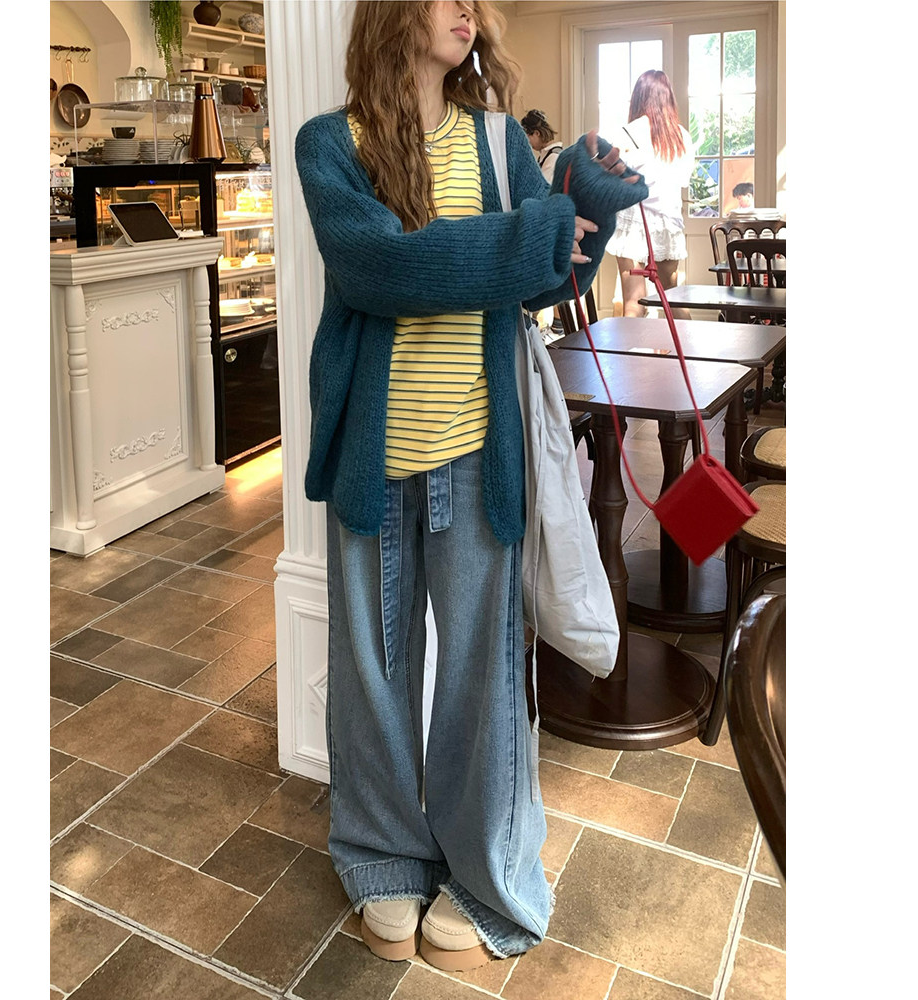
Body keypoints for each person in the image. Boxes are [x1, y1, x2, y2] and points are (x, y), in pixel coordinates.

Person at [294, 0, 646, 973]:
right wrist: (528, 235)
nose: (466, 8)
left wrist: (587, 214)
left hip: (475, 451)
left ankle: (488, 872)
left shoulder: (497, 142)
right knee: (373, 677)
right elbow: (378, 269)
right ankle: (381, 854)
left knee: (481, 681)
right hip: (371, 459)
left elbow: (543, 281)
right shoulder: (330, 144)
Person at [605, 69, 695, 318]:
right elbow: (683, 180)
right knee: (674, 302)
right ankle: (687, 345)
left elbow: (612, 180)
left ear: (639, 97)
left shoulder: (627, 133)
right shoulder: (681, 137)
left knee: (634, 304)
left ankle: (634, 347)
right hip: (668, 223)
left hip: (633, 222)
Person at [520, 108, 562, 183]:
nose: (527, 142)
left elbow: (541, 186)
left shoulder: (553, 157)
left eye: (527, 137)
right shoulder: (544, 156)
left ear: (537, 133)